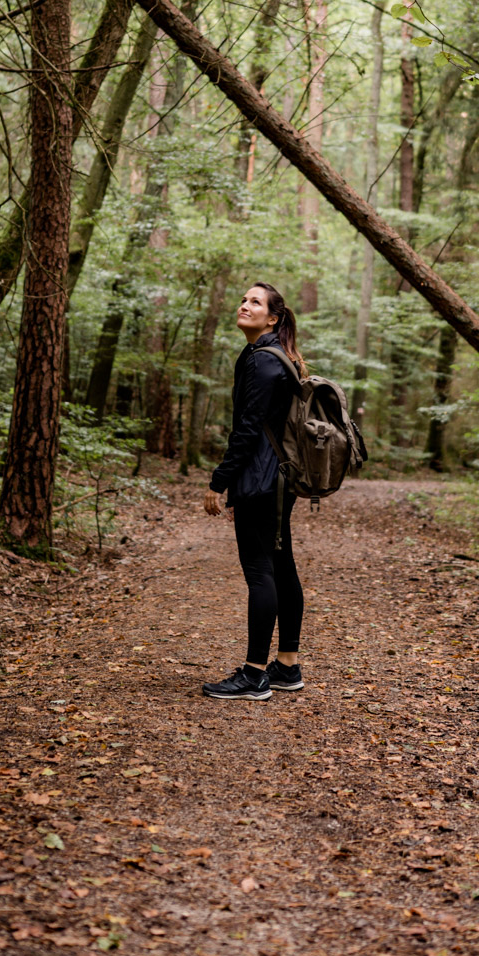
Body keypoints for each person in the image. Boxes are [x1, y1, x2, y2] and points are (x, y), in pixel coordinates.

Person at [201, 282, 306, 701]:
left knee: (261, 570)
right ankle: (286, 665)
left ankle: (254, 674)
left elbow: (246, 430)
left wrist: (220, 480)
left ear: (273, 317)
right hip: (278, 476)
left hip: (264, 479)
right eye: (243, 299)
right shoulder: (271, 357)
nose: (245, 305)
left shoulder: (263, 363)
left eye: (255, 302)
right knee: (281, 567)